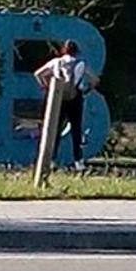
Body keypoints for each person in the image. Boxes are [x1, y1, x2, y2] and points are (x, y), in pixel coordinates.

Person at [34, 40, 97, 172]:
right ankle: (78, 162)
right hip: (76, 98)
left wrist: (46, 86)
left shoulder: (56, 62)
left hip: (58, 97)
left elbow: (38, 74)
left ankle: (51, 160)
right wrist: (87, 90)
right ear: (76, 51)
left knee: (55, 129)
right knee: (76, 129)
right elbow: (94, 80)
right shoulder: (81, 64)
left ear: (64, 49)